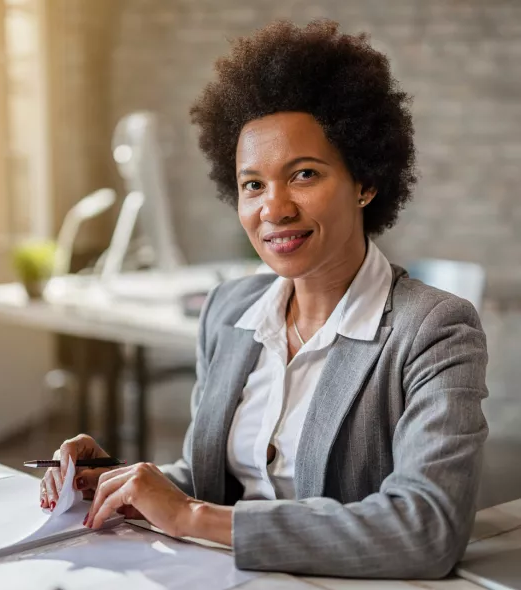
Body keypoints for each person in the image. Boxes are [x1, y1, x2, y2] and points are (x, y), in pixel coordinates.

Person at [40, 20, 488, 579]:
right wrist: (117, 480)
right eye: (253, 184)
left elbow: (426, 528)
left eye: (303, 174)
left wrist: (192, 516)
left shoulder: (434, 329)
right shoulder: (229, 312)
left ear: (365, 181)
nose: (273, 209)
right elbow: (214, 479)